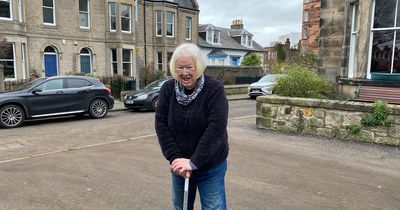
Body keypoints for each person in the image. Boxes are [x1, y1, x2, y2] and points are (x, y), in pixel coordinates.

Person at [155, 43, 229, 210]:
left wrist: (194, 162)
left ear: (199, 66)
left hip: (211, 165)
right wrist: (175, 160)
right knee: (180, 207)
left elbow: (216, 129)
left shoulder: (214, 89)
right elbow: (161, 124)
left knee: (213, 207)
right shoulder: (168, 89)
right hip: (180, 165)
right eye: (180, 67)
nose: (185, 72)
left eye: (189, 67)